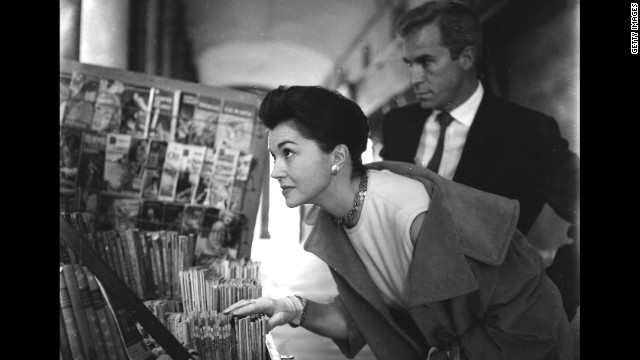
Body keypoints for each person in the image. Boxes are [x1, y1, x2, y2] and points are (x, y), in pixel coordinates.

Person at [223, 85, 571, 360]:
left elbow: (525, 313)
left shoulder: (410, 213)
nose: (275, 171)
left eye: (288, 152)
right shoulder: (340, 217)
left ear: (338, 157)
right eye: (273, 156)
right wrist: (288, 308)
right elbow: (357, 319)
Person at [378, 0, 580, 318]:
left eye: (427, 62)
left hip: (489, 324)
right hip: (409, 323)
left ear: (466, 58)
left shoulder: (527, 132)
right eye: (410, 63)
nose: (415, 77)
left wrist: (555, 289)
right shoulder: (399, 126)